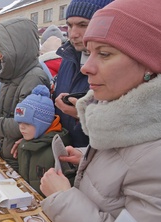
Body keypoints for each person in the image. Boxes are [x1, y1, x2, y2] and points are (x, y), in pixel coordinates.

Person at [40, 0, 161, 222]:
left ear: (150, 63)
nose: (86, 67)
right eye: (89, 52)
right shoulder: (118, 116)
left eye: (105, 53)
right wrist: (91, 163)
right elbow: (127, 174)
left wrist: (64, 199)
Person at [0, 18, 50, 170]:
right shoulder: (15, 74)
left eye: (2, 49)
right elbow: (18, 110)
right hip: (11, 152)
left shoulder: (33, 78)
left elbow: (25, 124)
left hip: (21, 157)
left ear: (17, 48)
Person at [53, 0, 113, 148]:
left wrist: (82, 115)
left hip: (96, 156)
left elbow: (125, 126)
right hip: (64, 150)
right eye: (69, 25)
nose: (73, 34)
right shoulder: (67, 57)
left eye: (83, 25)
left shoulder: (118, 64)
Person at [13, 85, 71, 196]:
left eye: (27, 124)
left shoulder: (56, 150)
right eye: (19, 122)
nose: (21, 127)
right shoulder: (24, 143)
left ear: (43, 124)